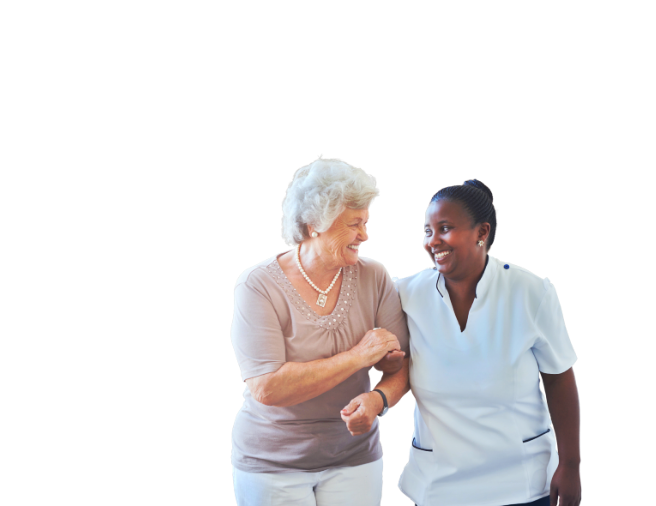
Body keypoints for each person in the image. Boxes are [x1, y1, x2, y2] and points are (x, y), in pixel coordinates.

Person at [230, 156, 413, 506]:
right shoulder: (257, 285)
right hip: (272, 465)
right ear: (316, 223)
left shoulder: (375, 277)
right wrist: (359, 356)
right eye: (355, 224)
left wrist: (378, 399)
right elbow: (268, 387)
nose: (365, 235)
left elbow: (401, 366)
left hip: (355, 457)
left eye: (366, 222)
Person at [395, 179, 582, 506]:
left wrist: (570, 465)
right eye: (428, 231)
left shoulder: (530, 291)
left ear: (482, 232)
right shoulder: (406, 294)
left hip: (521, 484)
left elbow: (559, 378)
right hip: (438, 487)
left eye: (445, 228)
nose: (432, 241)